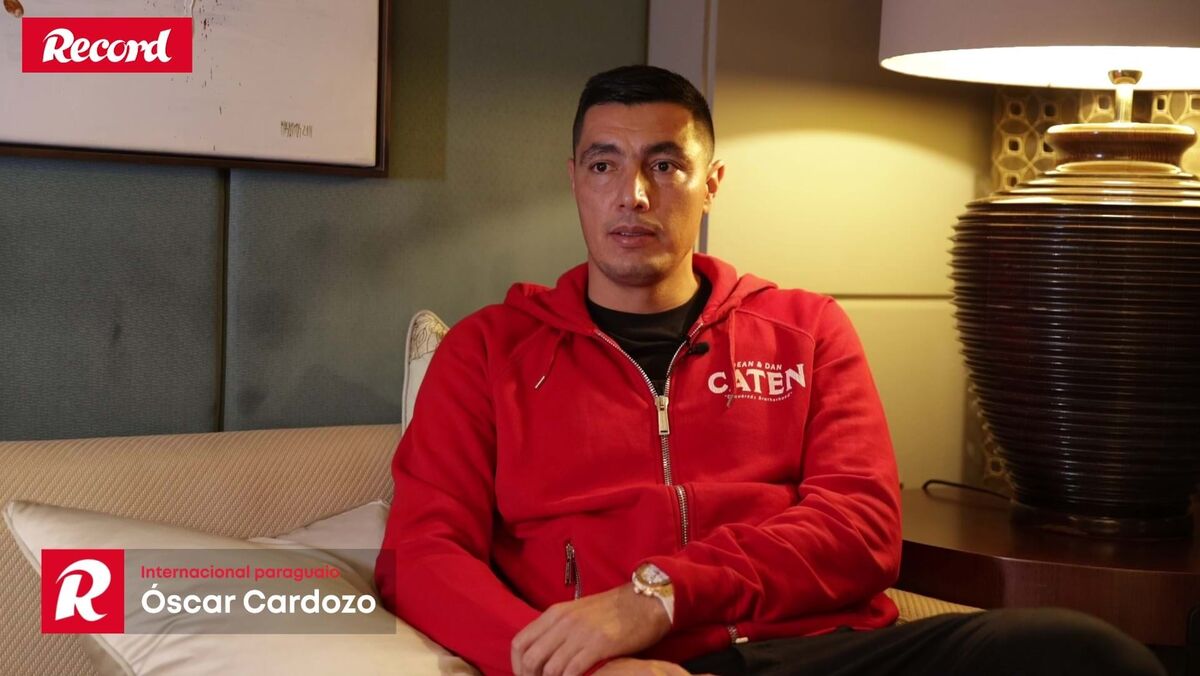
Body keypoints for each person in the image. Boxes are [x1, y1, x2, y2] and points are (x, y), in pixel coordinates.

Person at [375, 65, 1165, 676]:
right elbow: (421, 554)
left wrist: (657, 595)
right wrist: (567, 660)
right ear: (575, 180)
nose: (634, 195)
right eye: (604, 165)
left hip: (822, 653)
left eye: (665, 165)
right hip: (628, 669)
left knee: (1083, 652)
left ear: (712, 183)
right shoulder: (489, 351)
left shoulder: (806, 329)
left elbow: (861, 529)